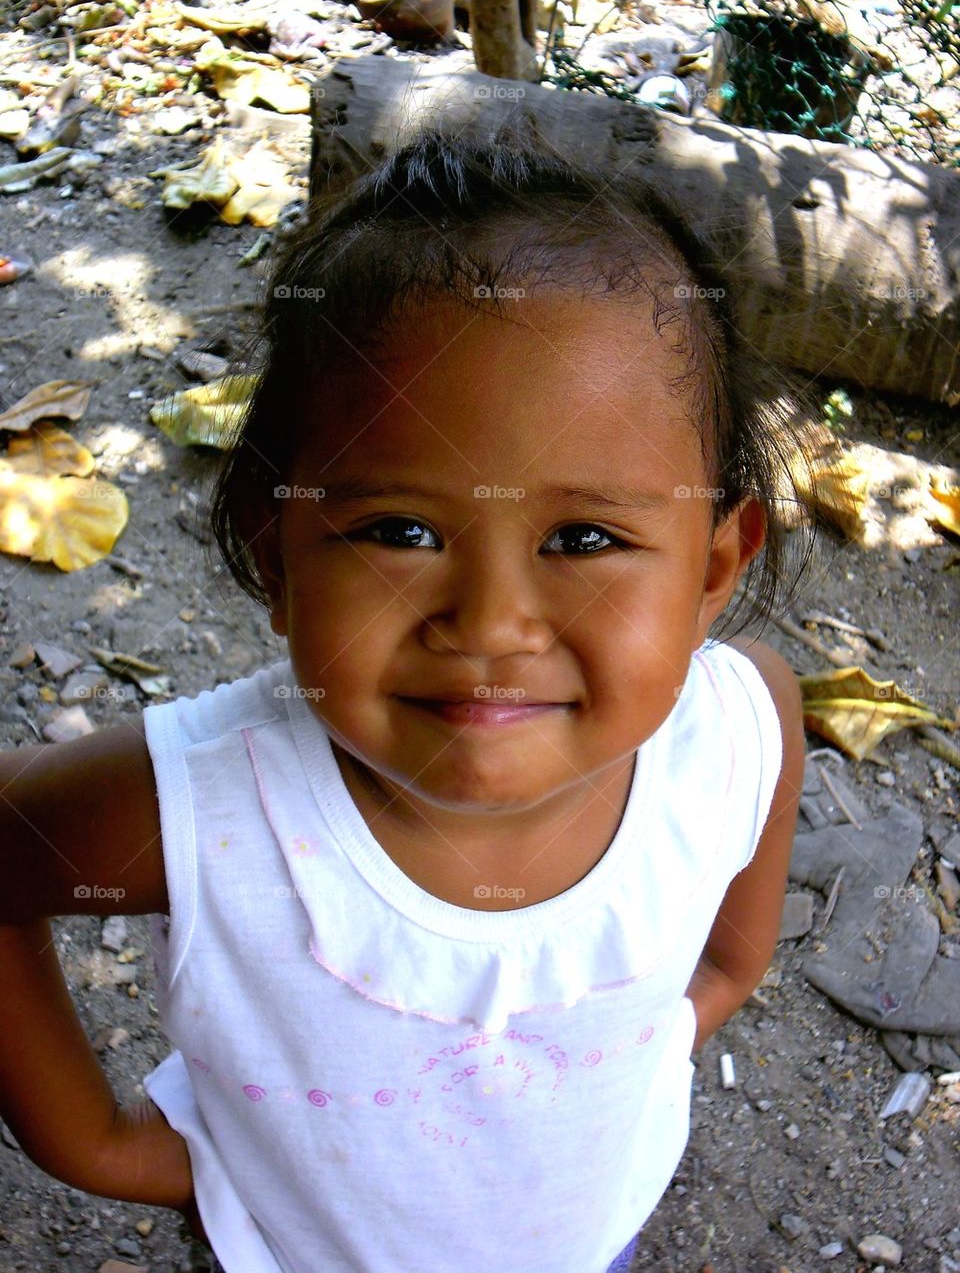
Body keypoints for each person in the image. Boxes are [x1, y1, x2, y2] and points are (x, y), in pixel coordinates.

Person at [1, 122, 813, 1272]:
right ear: (273, 553)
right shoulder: (202, 807)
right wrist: (98, 1142)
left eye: (583, 538)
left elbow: (727, 956)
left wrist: (702, 997)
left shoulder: (736, 726)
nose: (488, 623)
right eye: (400, 530)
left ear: (713, 571)